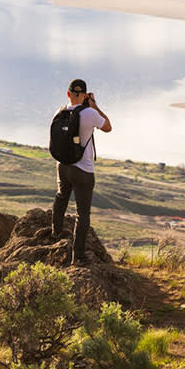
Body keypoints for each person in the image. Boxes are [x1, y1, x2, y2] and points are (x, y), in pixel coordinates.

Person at [51, 78, 112, 265]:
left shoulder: (60, 111)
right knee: (83, 214)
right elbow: (108, 127)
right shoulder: (90, 113)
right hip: (83, 170)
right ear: (85, 95)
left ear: (68, 93)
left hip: (62, 166)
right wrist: (94, 106)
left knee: (61, 196)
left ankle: (56, 231)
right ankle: (77, 256)